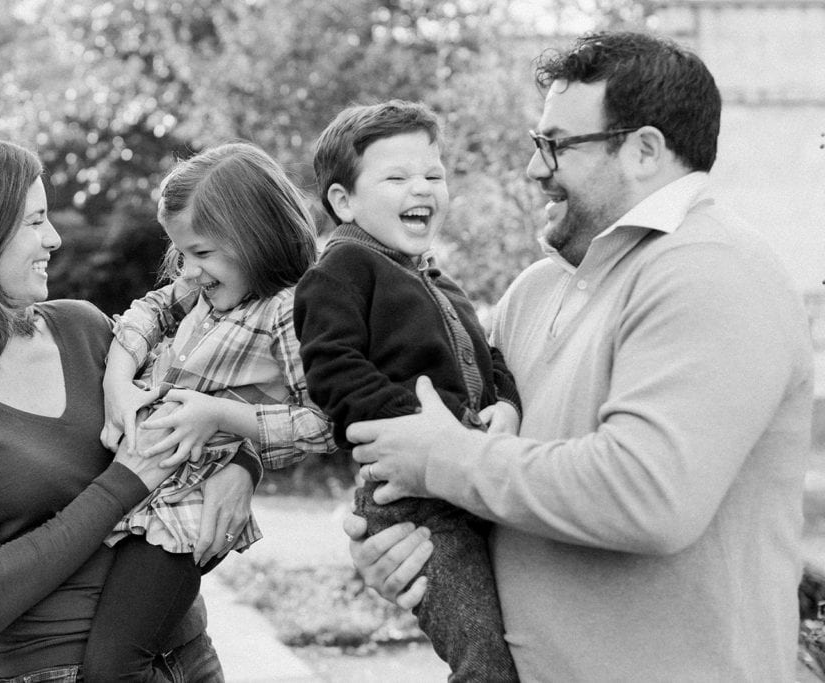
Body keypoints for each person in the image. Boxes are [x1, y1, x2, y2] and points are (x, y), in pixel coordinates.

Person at [343, 30, 814, 681]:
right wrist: (405, 542)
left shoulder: (712, 270)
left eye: (557, 145)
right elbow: (494, 474)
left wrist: (439, 459)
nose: (536, 168)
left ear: (644, 150)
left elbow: (646, 493)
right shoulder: (538, 289)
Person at [0, 135, 254, 682]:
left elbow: (196, 405)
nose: (54, 239)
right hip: (61, 670)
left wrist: (243, 467)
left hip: (187, 653)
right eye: (35, 221)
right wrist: (128, 478)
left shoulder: (82, 329)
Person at [84, 142, 335, 681]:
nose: (189, 270)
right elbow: (147, 309)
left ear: (255, 237)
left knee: (112, 665)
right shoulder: (204, 290)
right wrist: (116, 381)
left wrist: (219, 416)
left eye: (202, 252)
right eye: (182, 253)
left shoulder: (287, 311)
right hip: (140, 491)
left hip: (184, 513)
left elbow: (322, 424)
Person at [293, 100, 520, 681]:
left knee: (522, 641)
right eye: (396, 177)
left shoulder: (438, 281)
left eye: (433, 175)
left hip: (471, 478)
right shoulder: (340, 271)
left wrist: (505, 407)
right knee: (485, 660)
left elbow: (487, 356)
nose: (421, 187)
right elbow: (332, 369)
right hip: (412, 504)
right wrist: (421, 428)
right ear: (344, 201)